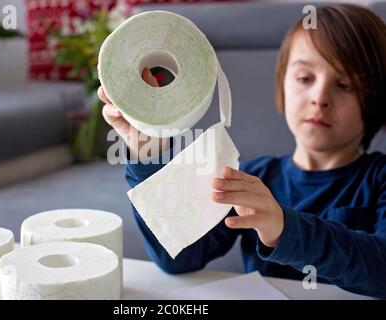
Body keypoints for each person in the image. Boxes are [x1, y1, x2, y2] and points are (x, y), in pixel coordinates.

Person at [98, 4, 386, 298]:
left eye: (345, 85)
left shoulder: (379, 179)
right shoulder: (252, 178)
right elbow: (178, 256)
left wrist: (285, 229)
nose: (319, 97)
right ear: (282, 86)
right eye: (305, 78)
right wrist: (149, 152)